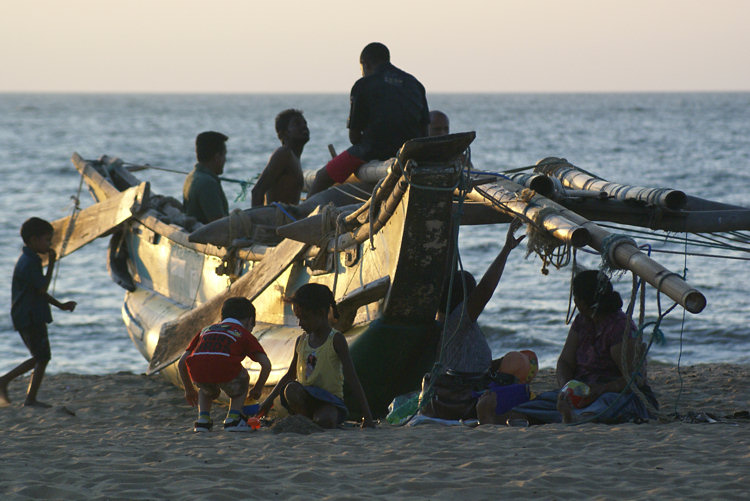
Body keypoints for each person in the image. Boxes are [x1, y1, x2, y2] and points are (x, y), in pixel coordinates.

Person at [481, 270, 658, 425]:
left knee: (603, 405)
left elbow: (634, 379)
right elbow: (565, 361)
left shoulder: (619, 327)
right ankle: (501, 418)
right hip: (582, 392)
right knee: (538, 403)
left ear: (582, 301)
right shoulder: (583, 321)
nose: (574, 301)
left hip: (618, 394)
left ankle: (573, 418)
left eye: (576, 297)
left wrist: (598, 390)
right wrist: (567, 387)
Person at [309, 42, 429, 195]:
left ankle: (300, 214)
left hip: (372, 149)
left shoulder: (363, 85)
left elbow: (354, 136)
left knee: (321, 177)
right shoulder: (415, 84)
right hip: (410, 153)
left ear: (364, 64)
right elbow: (425, 133)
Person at [258, 283, 374, 429]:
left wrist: (367, 416)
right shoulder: (302, 341)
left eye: (304, 318)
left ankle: (313, 420)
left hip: (329, 401)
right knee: (291, 389)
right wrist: (267, 402)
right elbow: (290, 375)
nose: (300, 324)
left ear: (321, 313)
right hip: (305, 398)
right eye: (298, 318)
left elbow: (352, 377)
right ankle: (305, 420)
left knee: (326, 420)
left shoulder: (336, 340)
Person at [0, 217, 77, 408]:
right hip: (29, 316)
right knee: (42, 357)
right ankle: (21, 392)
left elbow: (38, 292)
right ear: (33, 240)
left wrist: (61, 306)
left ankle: (22, 392)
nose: (49, 244)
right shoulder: (29, 262)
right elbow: (42, 288)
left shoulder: (30, 259)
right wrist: (51, 263)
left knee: (41, 356)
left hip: (29, 314)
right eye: (47, 240)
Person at [177, 297, 271, 432]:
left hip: (199, 372)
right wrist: (257, 388)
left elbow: (182, 363)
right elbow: (266, 364)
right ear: (250, 320)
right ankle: (233, 418)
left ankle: (203, 420)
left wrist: (189, 390)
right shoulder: (244, 334)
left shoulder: (206, 330)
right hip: (225, 369)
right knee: (243, 377)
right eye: (252, 326)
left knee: (205, 387)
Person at [251, 109, 309, 207]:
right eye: (297, 124)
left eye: (305, 123)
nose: (304, 126)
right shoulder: (284, 154)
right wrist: (259, 219)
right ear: (283, 133)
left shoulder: (293, 157)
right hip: (277, 220)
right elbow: (257, 191)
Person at [183, 131, 230, 224]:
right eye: (224, 155)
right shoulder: (208, 184)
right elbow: (219, 225)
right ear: (217, 157)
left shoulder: (191, 176)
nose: (225, 160)